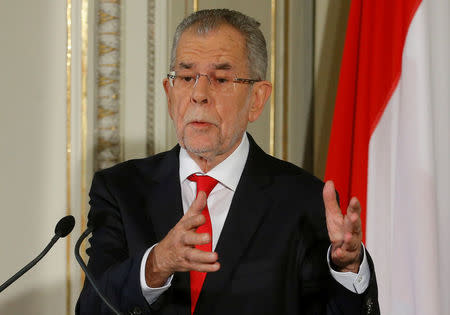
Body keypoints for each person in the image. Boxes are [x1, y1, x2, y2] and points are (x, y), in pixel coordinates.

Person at [76, 9, 379, 315]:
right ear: (169, 94)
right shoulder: (121, 190)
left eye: (220, 79)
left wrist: (348, 269)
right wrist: (156, 264)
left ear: (257, 99)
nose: (199, 94)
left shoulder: (303, 201)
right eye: (185, 77)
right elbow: (91, 309)